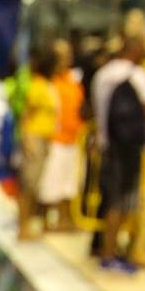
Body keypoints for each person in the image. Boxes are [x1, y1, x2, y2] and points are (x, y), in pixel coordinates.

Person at [91, 33, 145, 269]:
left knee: (108, 197)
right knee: (120, 201)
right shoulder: (135, 75)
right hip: (127, 147)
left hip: (106, 143)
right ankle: (109, 254)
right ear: (136, 50)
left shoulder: (102, 74)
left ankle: (102, 246)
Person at [39, 39, 85, 230]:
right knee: (50, 182)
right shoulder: (45, 80)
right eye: (62, 55)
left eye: (68, 54)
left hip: (73, 137)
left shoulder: (73, 79)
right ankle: (45, 221)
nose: (67, 59)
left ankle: (65, 220)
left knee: (69, 183)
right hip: (53, 138)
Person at [18, 43, 60, 239]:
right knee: (29, 185)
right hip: (35, 138)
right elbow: (26, 116)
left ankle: (28, 224)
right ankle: (22, 227)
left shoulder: (46, 85)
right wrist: (29, 141)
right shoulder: (37, 86)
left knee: (35, 185)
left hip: (44, 138)